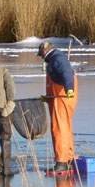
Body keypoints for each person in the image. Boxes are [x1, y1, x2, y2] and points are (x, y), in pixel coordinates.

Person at [37, 41, 78, 174]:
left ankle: (61, 162)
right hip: (58, 98)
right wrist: (48, 98)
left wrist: (69, 89)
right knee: (65, 127)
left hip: (63, 97)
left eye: (41, 55)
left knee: (58, 128)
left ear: (45, 50)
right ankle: (69, 159)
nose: (41, 58)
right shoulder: (54, 58)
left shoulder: (57, 58)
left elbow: (66, 73)